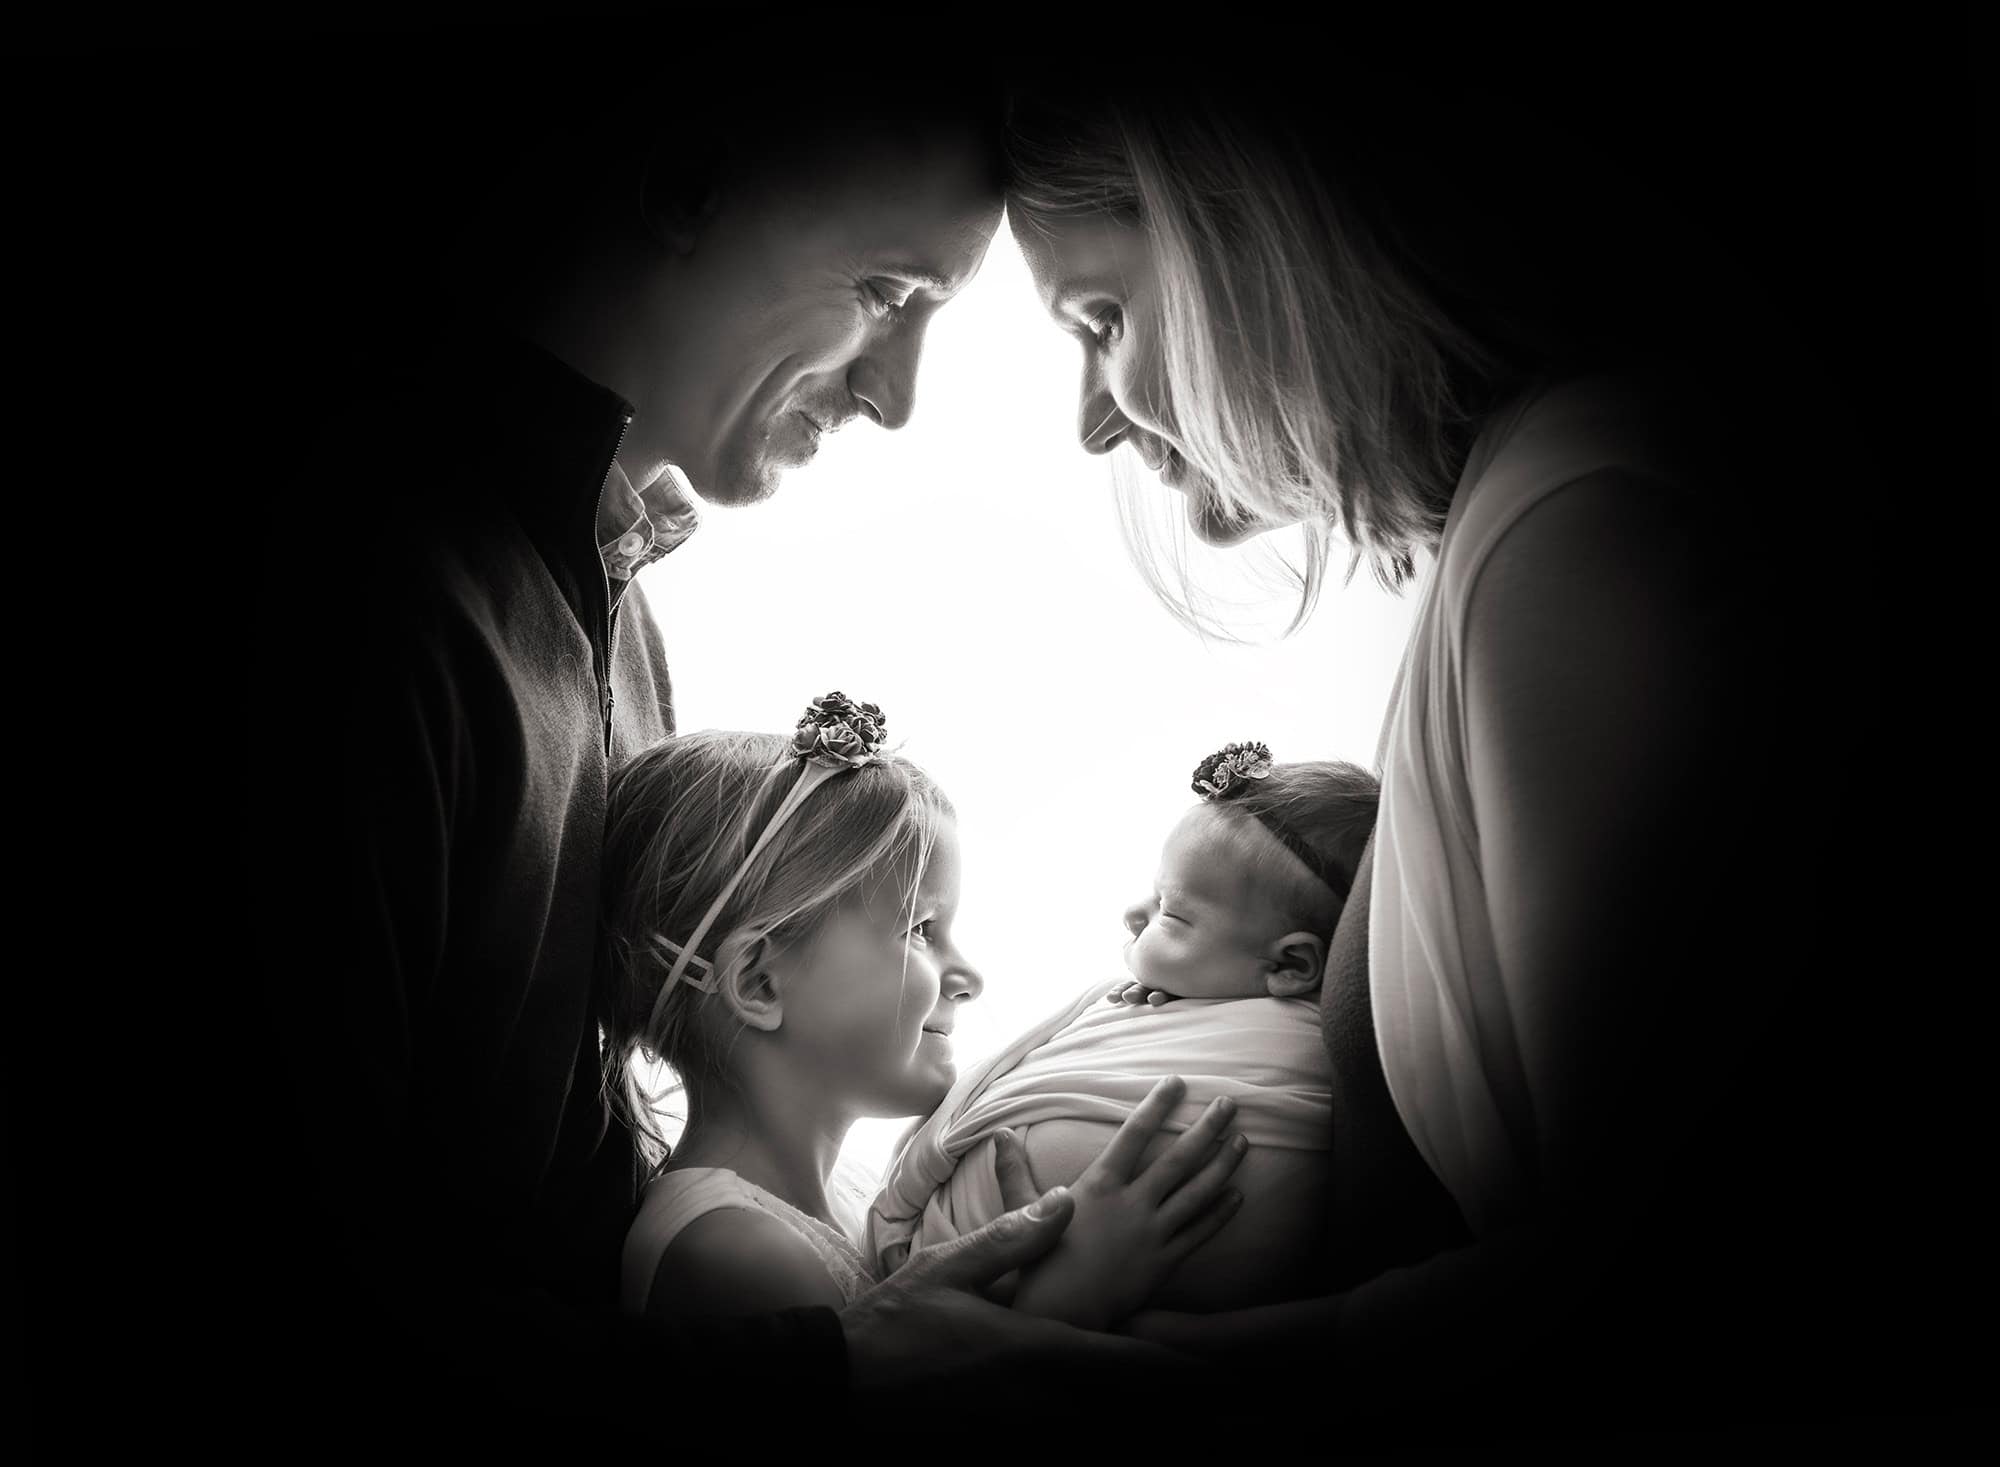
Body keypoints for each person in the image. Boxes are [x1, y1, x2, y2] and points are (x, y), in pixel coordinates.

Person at [999, 62, 1962, 1434]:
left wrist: (1063, 1374)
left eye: (1103, 318)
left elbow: (1653, 1276)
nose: (1096, 416)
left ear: (1254, 235)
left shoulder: (1574, 523)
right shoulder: (1518, 527)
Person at [251, 43, 1171, 1445]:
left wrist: (875, 1313)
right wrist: (839, 1371)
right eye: (885, 294)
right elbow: (299, 1304)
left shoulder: (613, 606)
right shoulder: (352, 592)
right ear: (681, 178)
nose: (897, 395)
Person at [602, 694, 1248, 1328]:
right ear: (759, 982)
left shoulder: (853, 1194)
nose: (968, 977)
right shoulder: (735, 1251)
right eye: (920, 929)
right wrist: (1070, 1307)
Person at [867, 745, 1377, 1317]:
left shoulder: (1292, 1059)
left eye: (1171, 912)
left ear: (1290, 968)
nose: (1136, 914)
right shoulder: (1168, 1007)